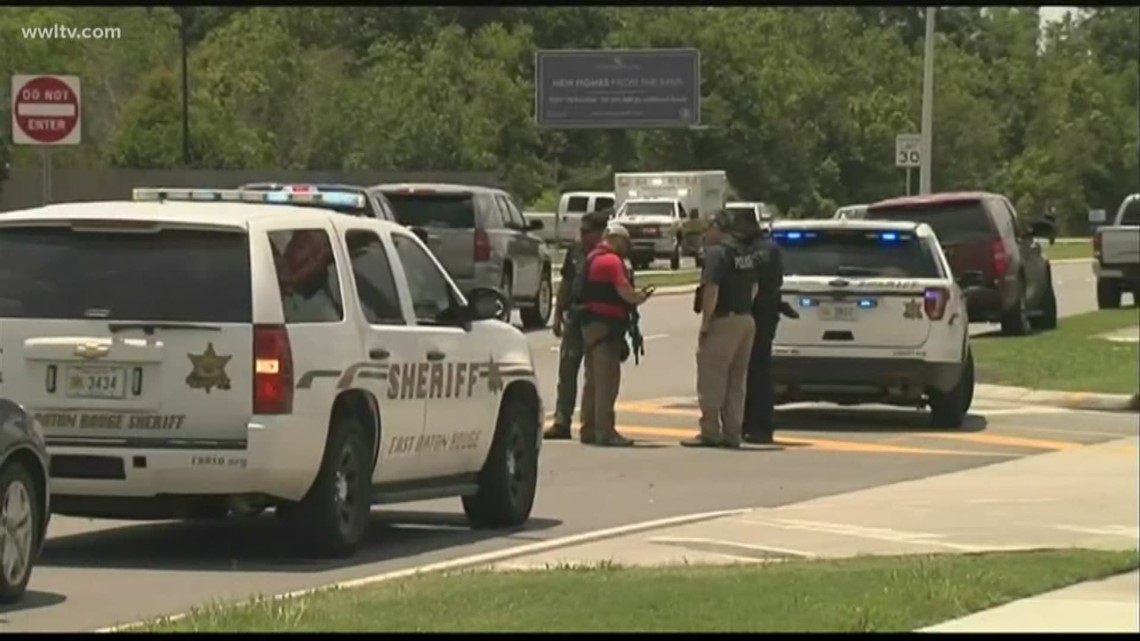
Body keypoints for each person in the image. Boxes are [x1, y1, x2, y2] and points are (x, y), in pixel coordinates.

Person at [683, 211, 758, 449]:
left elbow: (711, 289)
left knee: (712, 378)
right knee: (736, 381)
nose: (706, 233)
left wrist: (706, 323)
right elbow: (754, 286)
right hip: (746, 318)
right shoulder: (745, 252)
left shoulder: (717, 255)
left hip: (724, 320)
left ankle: (710, 431)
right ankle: (733, 431)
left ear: (718, 227)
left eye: (708, 228)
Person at [577, 222, 652, 447]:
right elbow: (625, 293)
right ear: (617, 239)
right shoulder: (611, 261)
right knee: (607, 382)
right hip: (606, 328)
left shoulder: (592, 257)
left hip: (589, 325)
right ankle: (605, 432)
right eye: (625, 243)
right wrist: (641, 296)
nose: (626, 248)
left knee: (592, 381)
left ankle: (588, 428)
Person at [544, 210, 612, 441]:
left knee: (594, 376)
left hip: (595, 319)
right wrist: (557, 314)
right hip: (574, 317)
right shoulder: (575, 252)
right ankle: (562, 421)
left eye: (586, 231)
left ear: (599, 233)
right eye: (580, 231)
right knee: (567, 371)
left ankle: (592, 425)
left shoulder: (607, 254)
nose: (581, 236)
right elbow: (566, 283)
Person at [737, 213, 792, 445]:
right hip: (754, 313)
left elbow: (755, 272)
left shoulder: (765, 249)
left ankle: (760, 425)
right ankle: (745, 422)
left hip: (762, 314)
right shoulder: (752, 246)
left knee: (758, 371)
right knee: (746, 372)